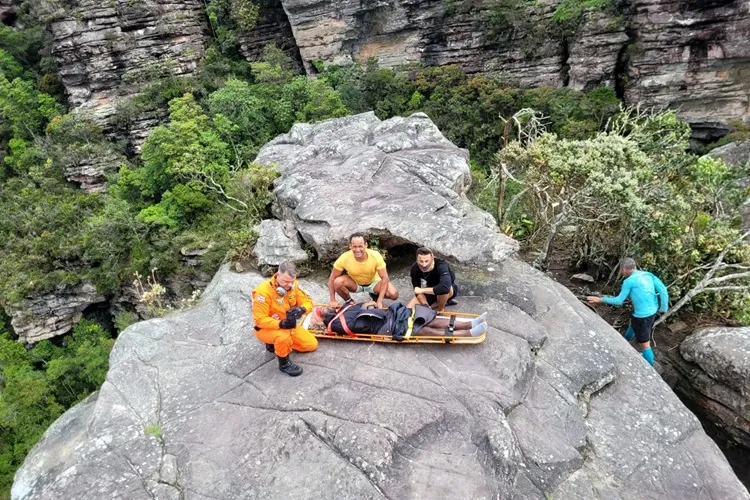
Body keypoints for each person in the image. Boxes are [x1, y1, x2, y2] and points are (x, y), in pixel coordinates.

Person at [587, 258, 669, 366]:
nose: (621, 272)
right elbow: (663, 290)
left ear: (624, 269)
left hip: (643, 317)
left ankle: (650, 368)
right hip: (653, 311)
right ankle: (625, 341)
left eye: (621, 270)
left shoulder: (628, 281)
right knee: (633, 324)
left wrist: (601, 299)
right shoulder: (647, 275)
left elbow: (619, 301)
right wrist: (663, 309)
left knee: (644, 344)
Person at [252, 261, 318, 376]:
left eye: (291, 282)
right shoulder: (263, 292)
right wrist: (281, 324)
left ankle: (276, 344)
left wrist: (301, 309)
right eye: (286, 281)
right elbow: (260, 320)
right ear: (278, 275)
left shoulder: (294, 286)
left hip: (288, 325)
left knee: (311, 344)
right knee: (282, 338)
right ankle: (284, 363)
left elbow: (308, 302)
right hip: (266, 328)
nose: (289, 285)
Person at [311, 301, 488, 340]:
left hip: (389, 319)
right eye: (322, 311)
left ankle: (468, 324)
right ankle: (468, 331)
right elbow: (367, 306)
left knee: (428, 318)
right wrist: (370, 308)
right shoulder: (341, 315)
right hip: (387, 324)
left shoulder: (341, 313)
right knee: (425, 328)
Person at [328, 233, 398, 309]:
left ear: (366, 245)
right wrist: (332, 300)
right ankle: (349, 301)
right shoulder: (344, 258)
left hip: (373, 282)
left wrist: (380, 301)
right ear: (350, 246)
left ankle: (375, 296)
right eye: (354, 246)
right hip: (355, 283)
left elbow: (385, 278)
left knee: (393, 294)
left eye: (360, 246)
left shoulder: (375, 256)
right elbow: (332, 278)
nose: (357, 250)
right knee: (338, 282)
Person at [407, 247, 459, 312]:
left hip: (447, 289)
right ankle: (441, 303)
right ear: (417, 259)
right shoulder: (414, 268)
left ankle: (441, 310)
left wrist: (422, 290)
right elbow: (417, 290)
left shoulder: (441, 265)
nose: (424, 265)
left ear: (432, 258)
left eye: (426, 261)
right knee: (409, 309)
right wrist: (425, 305)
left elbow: (445, 288)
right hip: (431, 289)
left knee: (444, 290)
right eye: (421, 261)